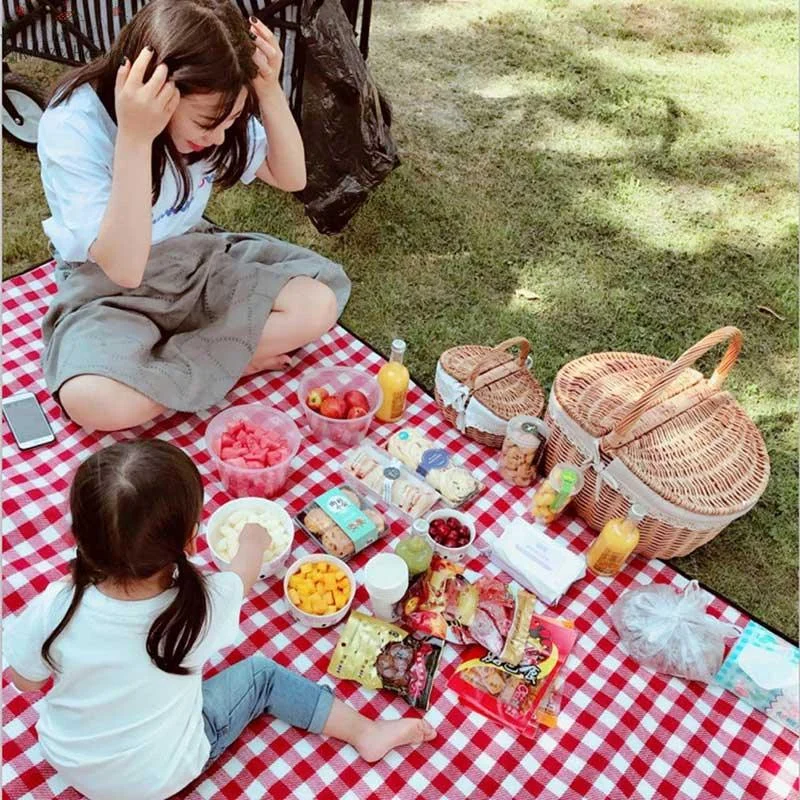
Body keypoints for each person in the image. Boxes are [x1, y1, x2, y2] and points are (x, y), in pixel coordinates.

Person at [4, 440, 435, 800]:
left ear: (78, 534)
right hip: (160, 776)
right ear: (192, 539)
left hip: (71, 758)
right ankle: (366, 732)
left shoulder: (57, 603)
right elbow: (243, 571)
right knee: (262, 676)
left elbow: (25, 681)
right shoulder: (198, 608)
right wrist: (253, 537)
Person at [37, 0, 351, 432]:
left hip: (192, 260)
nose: (220, 136)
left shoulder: (217, 111)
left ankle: (179, 368)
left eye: (232, 119)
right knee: (92, 402)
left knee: (317, 304)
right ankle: (234, 358)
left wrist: (268, 89)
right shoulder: (74, 124)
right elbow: (125, 269)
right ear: (157, 92)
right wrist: (135, 136)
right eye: (207, 124)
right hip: (106, 287)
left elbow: (292, 176)